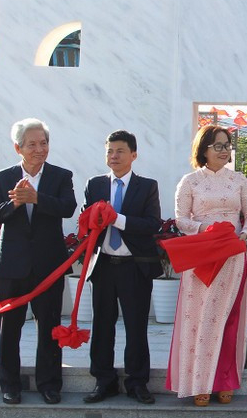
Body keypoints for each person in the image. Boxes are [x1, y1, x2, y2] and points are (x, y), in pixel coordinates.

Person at [0, 118, 77, 405]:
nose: (40, 149)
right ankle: (10, 386)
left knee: (49, 327)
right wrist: (16, 202)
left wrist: (37, 198)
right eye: (33, 144)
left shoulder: (61, 176)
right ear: (18, 147)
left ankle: (49, 385)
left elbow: (68, 207)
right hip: (13, 265)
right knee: (9, 329)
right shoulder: (3, 177)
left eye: (44, 143)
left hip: (49, 265)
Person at [166, 124, 247, 406]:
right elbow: (181, 219)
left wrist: (244, 234)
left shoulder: (239, 180)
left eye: (227, 145)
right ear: (203, 149)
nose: (225, 150)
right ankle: (198, 383)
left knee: (227, 318)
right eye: (218, 145)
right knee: (199, 319)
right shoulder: (190, 181)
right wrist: (205, 229)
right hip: (202, 257)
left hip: (231, 256)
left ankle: (224, 381)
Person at [81, 130, 162, 405]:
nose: (113, 156)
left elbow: (153, 224)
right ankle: (104, 381)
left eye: (119, 151)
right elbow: (85, 224)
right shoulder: (94, 184)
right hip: (103, 265)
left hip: (134, 267)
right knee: (102, 325)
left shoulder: (147, 186)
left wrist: (119, 219)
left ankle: (137, 383)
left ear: (133, 155)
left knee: (136, 326)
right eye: (109, 151)